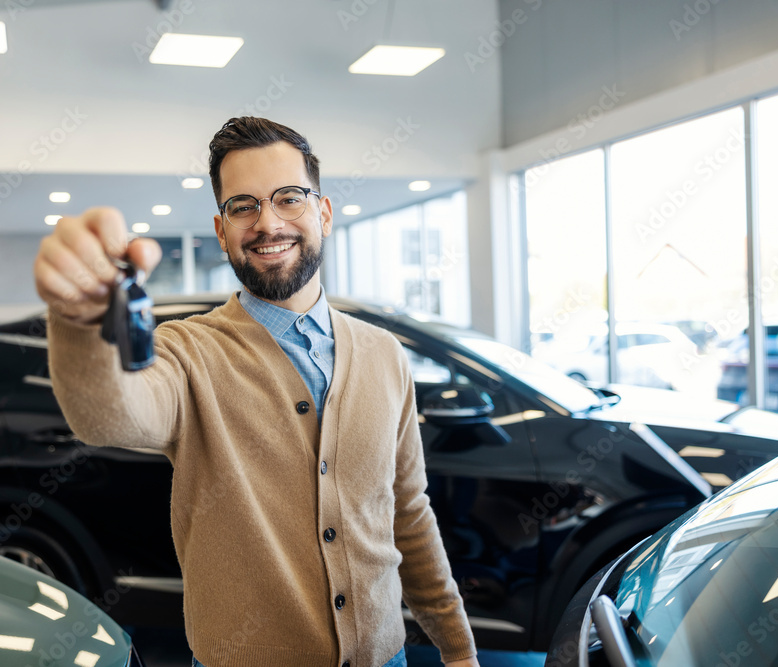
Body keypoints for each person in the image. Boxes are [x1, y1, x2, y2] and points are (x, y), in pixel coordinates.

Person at [34, 116, 479, 667]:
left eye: (289, 198)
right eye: (243, 206)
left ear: (323, 212)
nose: (267, 222)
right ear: (222, 231)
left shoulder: (385, 354)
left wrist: (458, 650)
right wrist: (80, 323)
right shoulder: (189, 351)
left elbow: (409, 513)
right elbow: (110, 416)